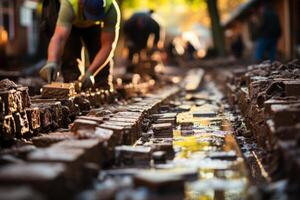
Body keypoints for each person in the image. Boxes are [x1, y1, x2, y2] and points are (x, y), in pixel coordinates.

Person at [39, 0, 121, 90]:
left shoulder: (111, 10)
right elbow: (59, 38)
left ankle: (102, 88)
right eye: (90, 16)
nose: (90, 20)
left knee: (97, 50)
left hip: (96, 24)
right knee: (70, 53)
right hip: (72, 19)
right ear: (81, 3)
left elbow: (107, 46)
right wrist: (52, 61)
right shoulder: (69, 5)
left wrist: (91, 72)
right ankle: (72, 84)